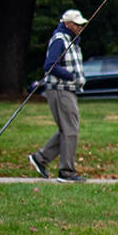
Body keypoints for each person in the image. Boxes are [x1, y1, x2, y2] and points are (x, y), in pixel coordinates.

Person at [28, 9, 89, 182]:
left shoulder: (71, 40)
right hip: (61, 89)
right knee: (70, 130)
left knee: (67, 129)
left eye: (81, 24)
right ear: (68, 24)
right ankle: (66, 172)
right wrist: (71, 76)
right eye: (77, 24)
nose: (80, 27)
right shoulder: (60, 40)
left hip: (67, 90)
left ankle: (40, 159)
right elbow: (50, 65)